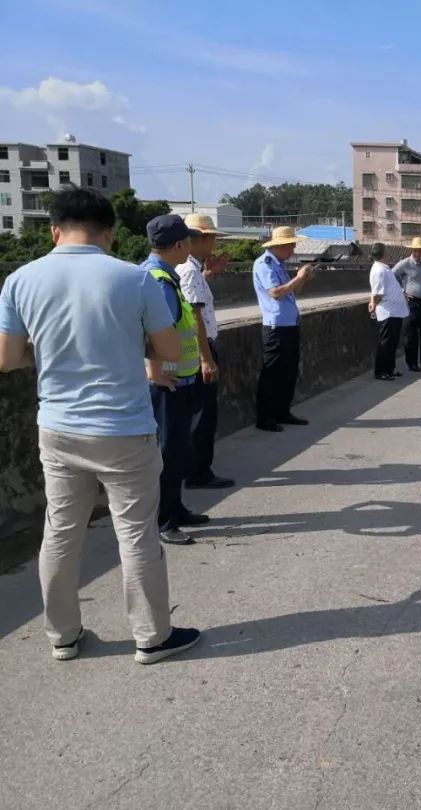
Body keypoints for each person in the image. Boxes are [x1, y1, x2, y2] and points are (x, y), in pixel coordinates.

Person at [0, 187, 200, 664]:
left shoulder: (20, 280)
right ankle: (152, 637)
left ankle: (63, 635)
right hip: (125, 428)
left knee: (61, 531)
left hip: (59, 427)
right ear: (109, 233)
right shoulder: (134, 279)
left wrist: (49, 351)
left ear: (53, 230)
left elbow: (7, 360)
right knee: (135, 533)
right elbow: (170, 352)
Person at [144, 214, 209, 546]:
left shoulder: (163, 276)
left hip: (178, 379)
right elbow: (152, 330)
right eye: (189, 241)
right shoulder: (158, 280)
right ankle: (164, 520)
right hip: (166, 384)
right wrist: (154, 369)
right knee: (168, 453)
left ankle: (176, 508)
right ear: (181, 244)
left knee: (178, 450)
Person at [176, 214, 234, 490]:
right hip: (201, 348)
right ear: (198, 239)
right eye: (210, 238)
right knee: (202, 414)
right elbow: (195, 316)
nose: (213, 244)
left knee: (200, 412)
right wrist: (205, 358)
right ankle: (198, 472)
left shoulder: (192, 269)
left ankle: (196, 468)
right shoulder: (188, 270)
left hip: (201, 346)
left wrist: (210, 274)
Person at [253, 226, 314, 432]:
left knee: (288, 371)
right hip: (276, 326)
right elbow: (276, 293)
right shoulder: (265, 264)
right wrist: (298, 278)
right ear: (280, 245)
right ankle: (265, 417)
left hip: (289, 324)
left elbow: (292, 292)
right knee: (273, 373)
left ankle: (282, 411)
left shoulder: (278, 265)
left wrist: (301, 279)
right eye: (291, 245)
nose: (293, 250)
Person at [393, 236, 421, 372]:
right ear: (412, 251)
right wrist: (401, 289)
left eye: (420, 251)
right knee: (411, 336)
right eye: (415, 251)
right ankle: (412, 363)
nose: (417, 254)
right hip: (412, 302)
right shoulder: (405, 263)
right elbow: (392, 274)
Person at [368, 242, 409, 381]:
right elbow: (377, 293)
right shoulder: (379, 270)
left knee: (392, 342)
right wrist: (373, 304)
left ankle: (390, 369)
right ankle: (381, 371)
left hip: (395, 312)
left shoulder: (384, 268)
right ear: (383, 254)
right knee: (385, 343)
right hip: (388, 312)